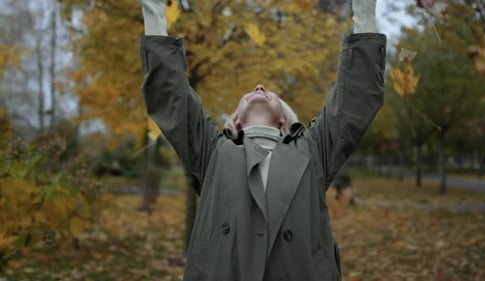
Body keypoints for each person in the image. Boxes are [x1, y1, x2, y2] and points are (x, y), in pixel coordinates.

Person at [139, 0, 386, 280]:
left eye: (268, 91)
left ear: (283, 121)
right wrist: (154, 8)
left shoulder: (312, 151)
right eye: (250, 92)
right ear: (237, 122)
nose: (258, 87)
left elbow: (355, 99)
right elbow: (169, 94)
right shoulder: (213, 152)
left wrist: (364, 8)